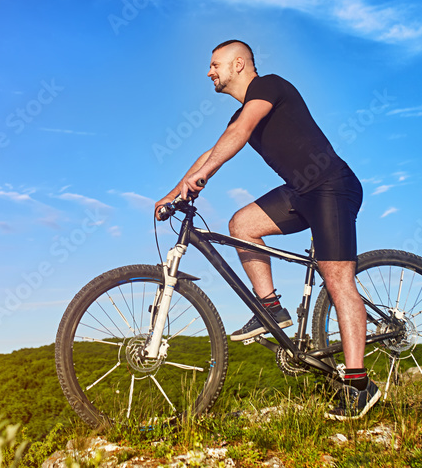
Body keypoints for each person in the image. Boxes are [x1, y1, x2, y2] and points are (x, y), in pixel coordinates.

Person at [154, 39, 379, 420]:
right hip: (300, 191)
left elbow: (241, 131)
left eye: (215, 64)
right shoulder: (239, 117)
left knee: (337, 276)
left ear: (239, 64)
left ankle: (359, 384)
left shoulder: (269, 86)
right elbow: (211, 152)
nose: (209, 72)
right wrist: (173, 193)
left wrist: (203, 177)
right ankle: (271, 308)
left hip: (331, 186)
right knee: (242, 224)